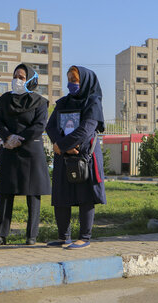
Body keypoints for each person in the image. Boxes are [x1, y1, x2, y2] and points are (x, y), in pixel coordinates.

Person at [45, 66, 106, 249]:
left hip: (85, 155)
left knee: (85, 195)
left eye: (75, 80)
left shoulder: (93, 102)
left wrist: (63, 145)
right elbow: (51, 126)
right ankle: (64, 237)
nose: (72, 84)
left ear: (85, 81)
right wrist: (62, 147)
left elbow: (87, 129)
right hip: (64, 155)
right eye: (70, 80)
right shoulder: (63, 102)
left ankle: (84, 237)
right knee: (61, 195)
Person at [0, 63, 50, 247]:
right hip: (9, 149)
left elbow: (39, 125)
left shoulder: (39, 102)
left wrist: (20, 138)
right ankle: (0, 235)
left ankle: (31, 236)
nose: (17, 80)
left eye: (22, 77)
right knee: (6, 194)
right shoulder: (4, 100)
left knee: (33, 194)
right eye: (15, 76)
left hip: (31, 151)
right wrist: (9, 137)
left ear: (30, 80)